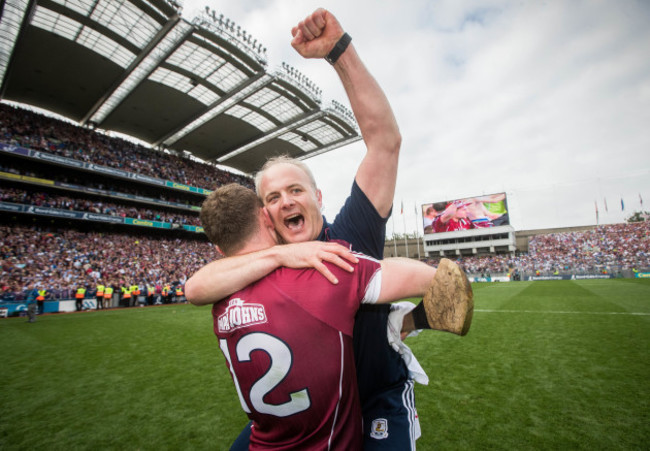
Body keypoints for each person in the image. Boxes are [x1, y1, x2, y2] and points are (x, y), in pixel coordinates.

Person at [186, 8, 448, 449]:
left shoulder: (351, 235)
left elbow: (385, 141)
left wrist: (339, 51)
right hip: (305, 416)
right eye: (272, 198)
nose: (286, 200)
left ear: (318, 198)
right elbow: (197, 285)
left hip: (374, 398)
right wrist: (282, 255)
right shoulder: (257, 266)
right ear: (264, 217)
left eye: (295, 190)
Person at [199, 184, 460, 449]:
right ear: (266, 217)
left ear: (219, 251)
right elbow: (438, 280)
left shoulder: (217, 299)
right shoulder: (316, 277)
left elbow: (195, 287)